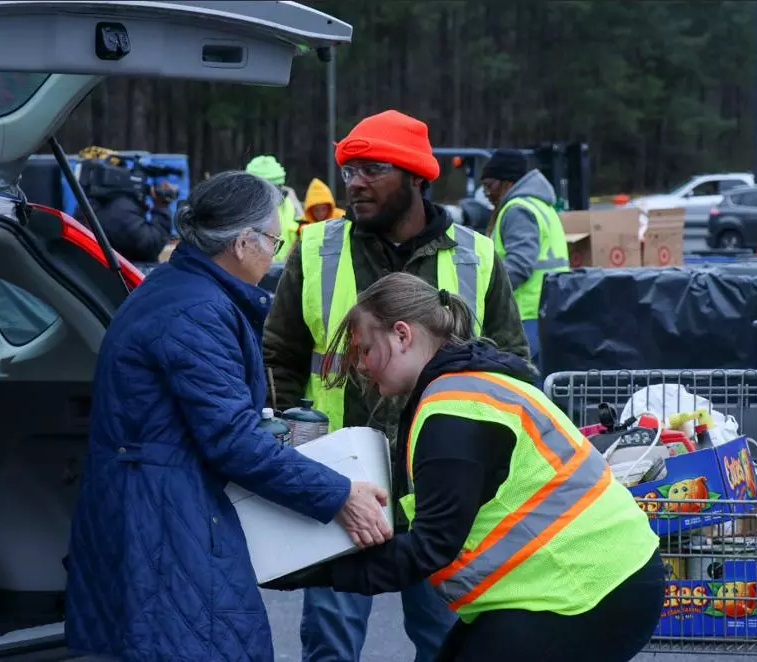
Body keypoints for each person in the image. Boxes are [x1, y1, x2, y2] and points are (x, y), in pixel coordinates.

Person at [64, 171, 393, 662]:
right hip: (164, 524)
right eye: (275, 242)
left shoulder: (181, 293)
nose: (275, 256)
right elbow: (232, 440)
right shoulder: (196, 312)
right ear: (243, 242)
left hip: (152, 507)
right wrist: (339, 494)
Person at [265, 272, 665, 662]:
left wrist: (312, 572)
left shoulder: (454, 414)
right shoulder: (471, 386)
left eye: (366, 350)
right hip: (593, 581)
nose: (363, 367)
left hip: (588, 591)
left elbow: (429, 548)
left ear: (402, 335)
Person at [262, 109, 532, 662]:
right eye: (349, 170)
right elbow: (278, 358)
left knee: (444, 642)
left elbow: (513, 367)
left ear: (416, 177)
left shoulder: (478, 257)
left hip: (441, 488)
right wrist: (296, 452)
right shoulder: (315, 250)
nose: (355, 182)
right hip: (339, 484)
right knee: (331, 643)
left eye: (372, 169)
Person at [480, 150, 570, 374]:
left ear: (507, 183)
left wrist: (484, 292)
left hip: (526, 317)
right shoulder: (541, 205)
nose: (487, 194)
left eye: (489, 186)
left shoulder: (517, 210)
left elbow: (519, 265)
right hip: (548, 312)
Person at [246, 154, 303, 263]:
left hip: (284, 267)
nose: (276, 194)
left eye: (278, 187)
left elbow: (300, 232)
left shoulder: (290, 202)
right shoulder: (245, 208)